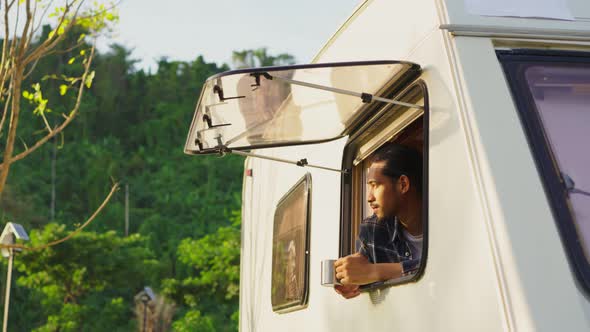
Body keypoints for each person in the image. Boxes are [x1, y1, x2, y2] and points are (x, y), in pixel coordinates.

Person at [334, 143, 423, 299]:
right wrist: (353, 282)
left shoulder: (444, 216)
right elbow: (362, 271)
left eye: (375, 185)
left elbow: (444, 264)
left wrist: (375, 271)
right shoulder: (372, 230)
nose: (369, 197)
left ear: (403, 184)